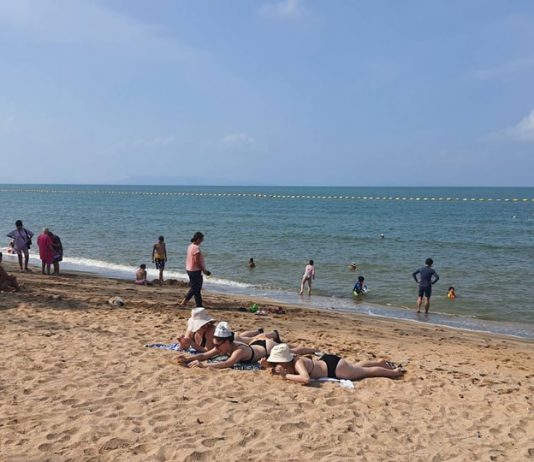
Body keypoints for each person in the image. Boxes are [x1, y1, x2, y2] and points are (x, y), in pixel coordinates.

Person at [261, 344, 405, 385]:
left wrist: (286, 376)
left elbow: (306, 379)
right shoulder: (289, 361)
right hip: (328, 361)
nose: (276, 363)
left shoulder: (298, 362)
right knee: (356, 367)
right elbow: (279, 366)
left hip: (334, 369)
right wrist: (268, 365)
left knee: (366, 372)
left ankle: (394, 373)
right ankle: (379, 362)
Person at [177, 307, 293, 353]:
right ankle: (258, 330)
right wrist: (182, 343)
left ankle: (273, 334)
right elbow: (185, 347)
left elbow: (206, 350)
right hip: (229, 336)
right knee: (243, 335)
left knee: (252, 340)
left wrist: (192, 343)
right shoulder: (191, 330)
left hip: (232, 339)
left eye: (204, 324)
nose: (205, 326)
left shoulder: (211, 330)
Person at [176, 322, 269, 369]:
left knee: (255, 338)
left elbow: (228, 363)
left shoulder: (239, 350)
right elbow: (204, 355)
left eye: (217, 345)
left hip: (266, 346)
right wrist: (187, 359)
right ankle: (260, 332)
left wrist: (203, 365)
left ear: (226, 342)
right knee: (250, 338)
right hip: (253, 346)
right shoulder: (221, 346)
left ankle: (273, 334)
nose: (215, 347)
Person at [180, 232, 211, 307]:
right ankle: (184, 302)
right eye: (201, 240)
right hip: (195, 270)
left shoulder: (190, 246)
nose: (202, 241)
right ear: (198, 239)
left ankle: (199, 304)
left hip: (190, 269)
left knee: (197, 288)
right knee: (195, 288)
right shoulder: (196, 248)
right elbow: (196, 261)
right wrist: (204, 270)